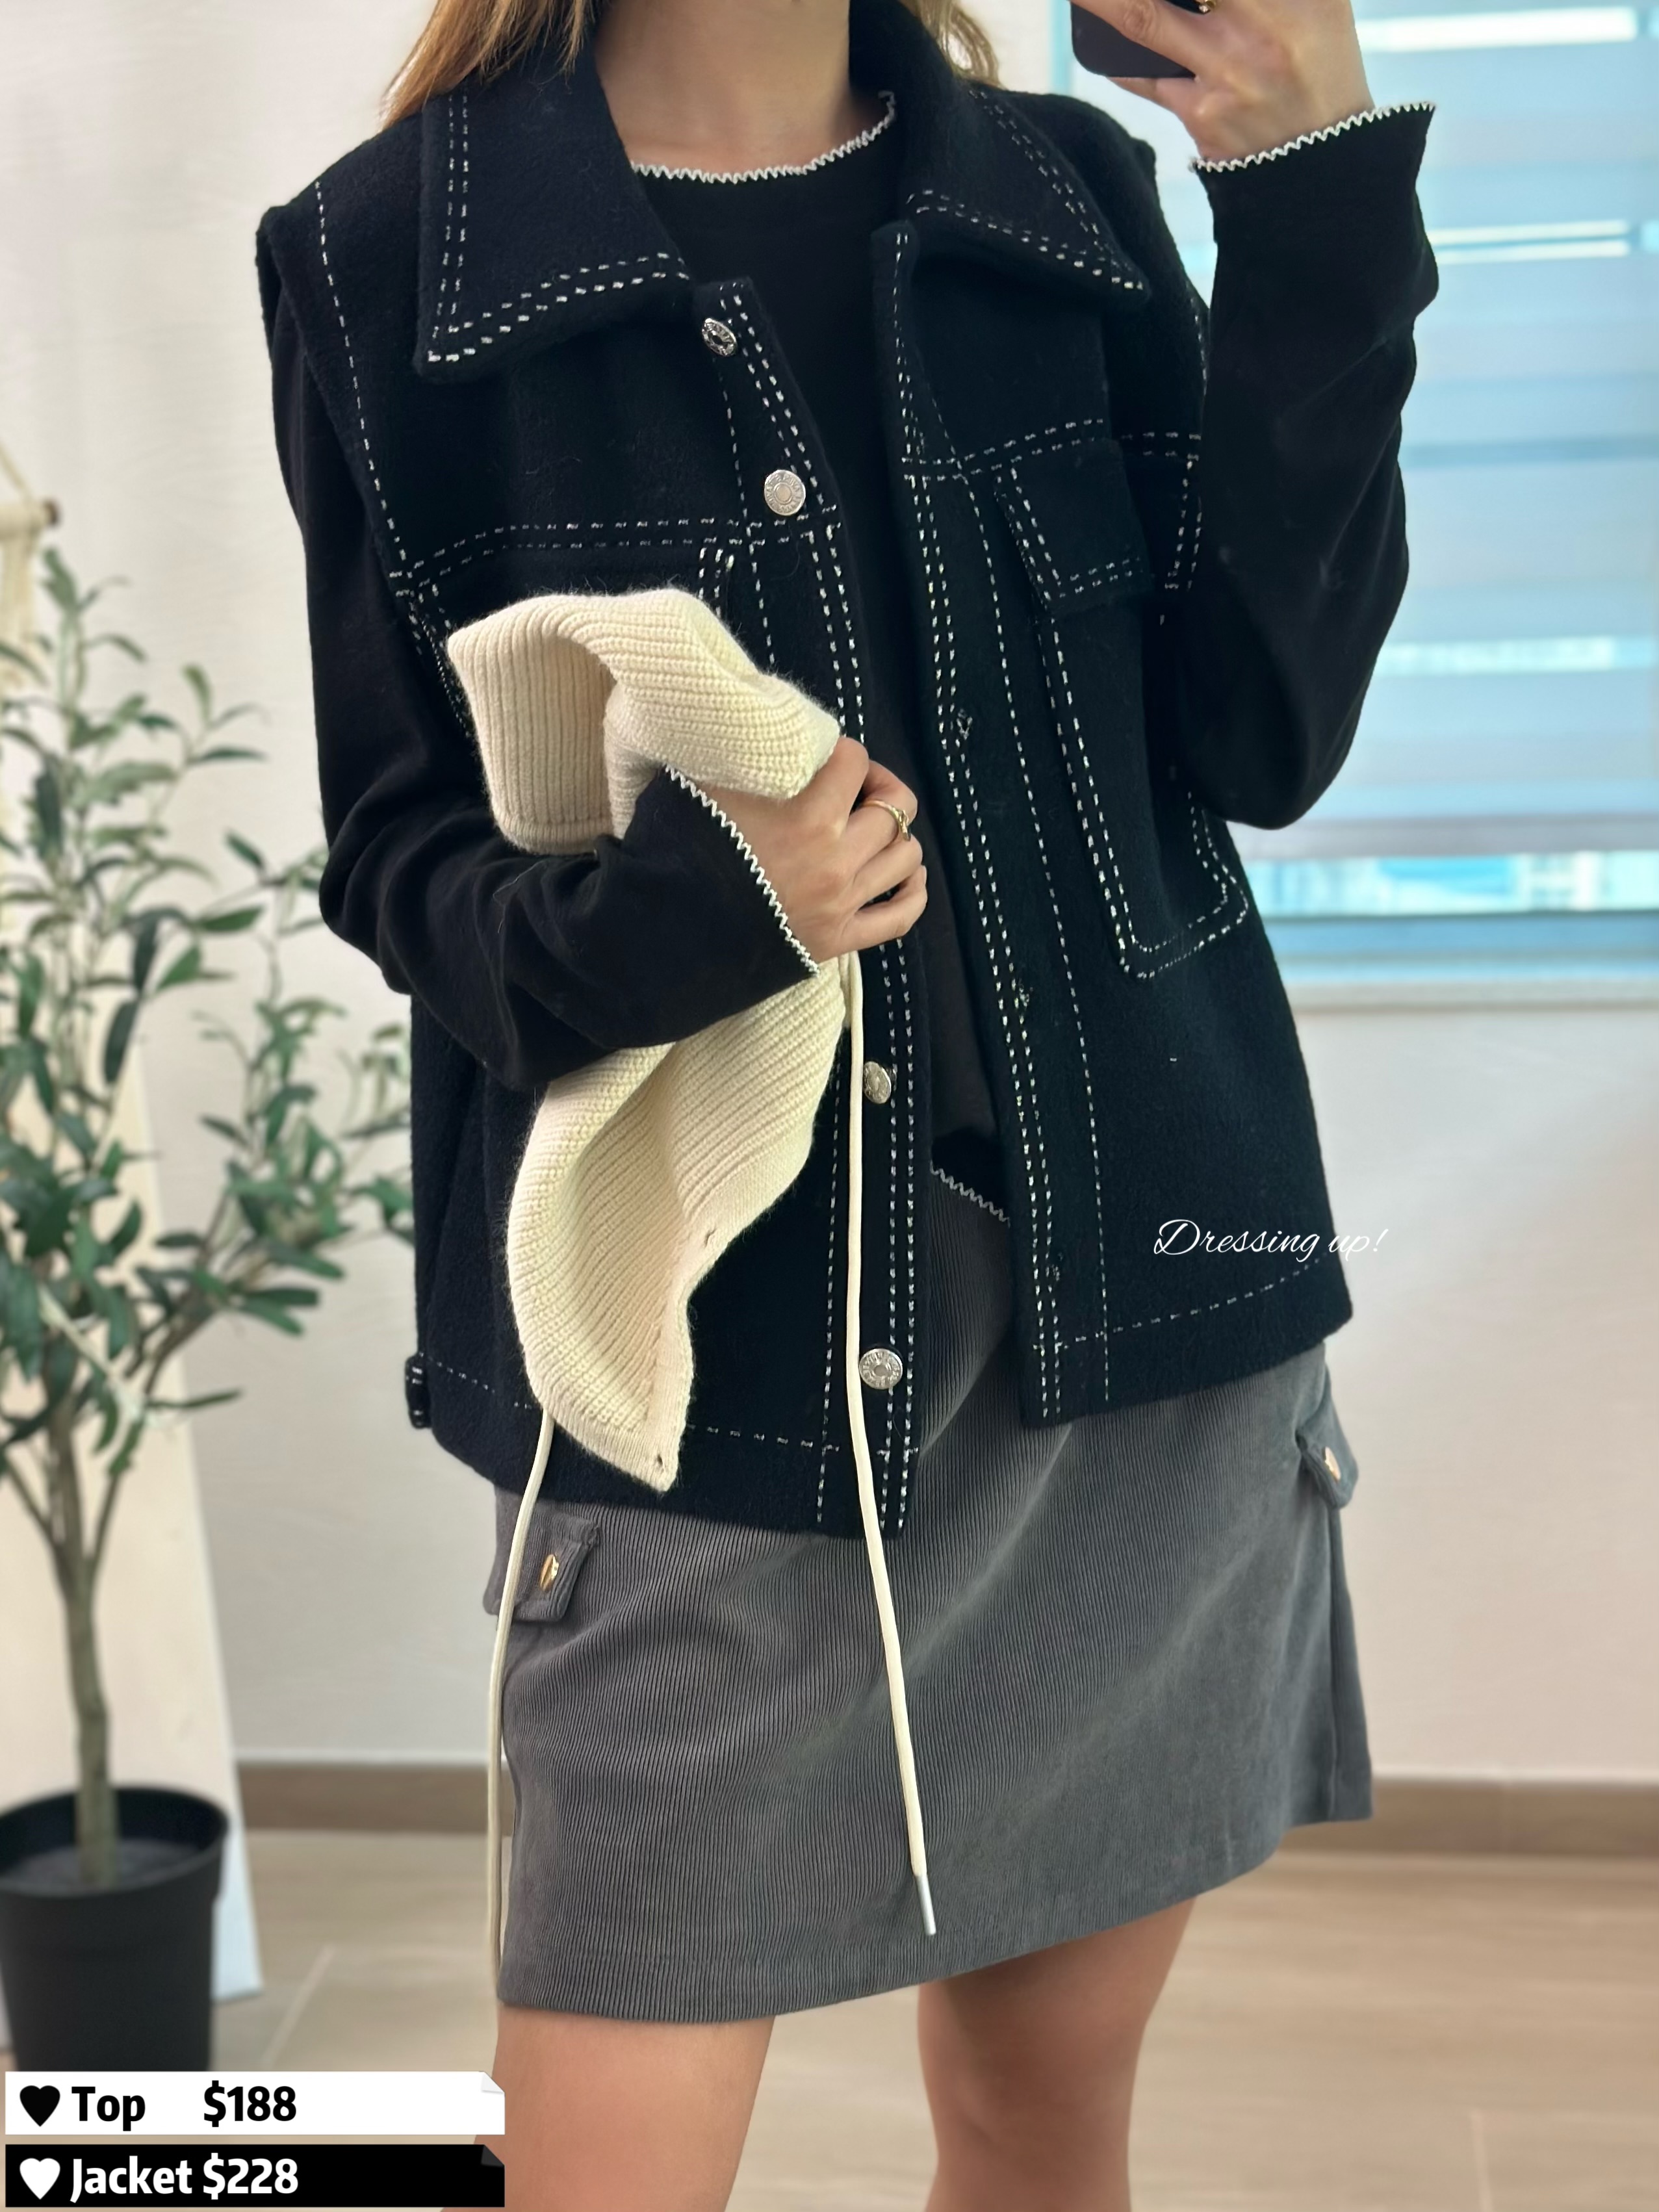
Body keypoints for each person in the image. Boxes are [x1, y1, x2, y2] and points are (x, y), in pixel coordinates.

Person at [257, 0, 1436, 2202]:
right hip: (710, 1381)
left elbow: (1262, 732)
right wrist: (708, 913)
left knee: (1035, 2125)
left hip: (1129, 1344)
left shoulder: (1065, 199)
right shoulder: (386, 256)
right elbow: (399, 856)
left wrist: (1310, 206)